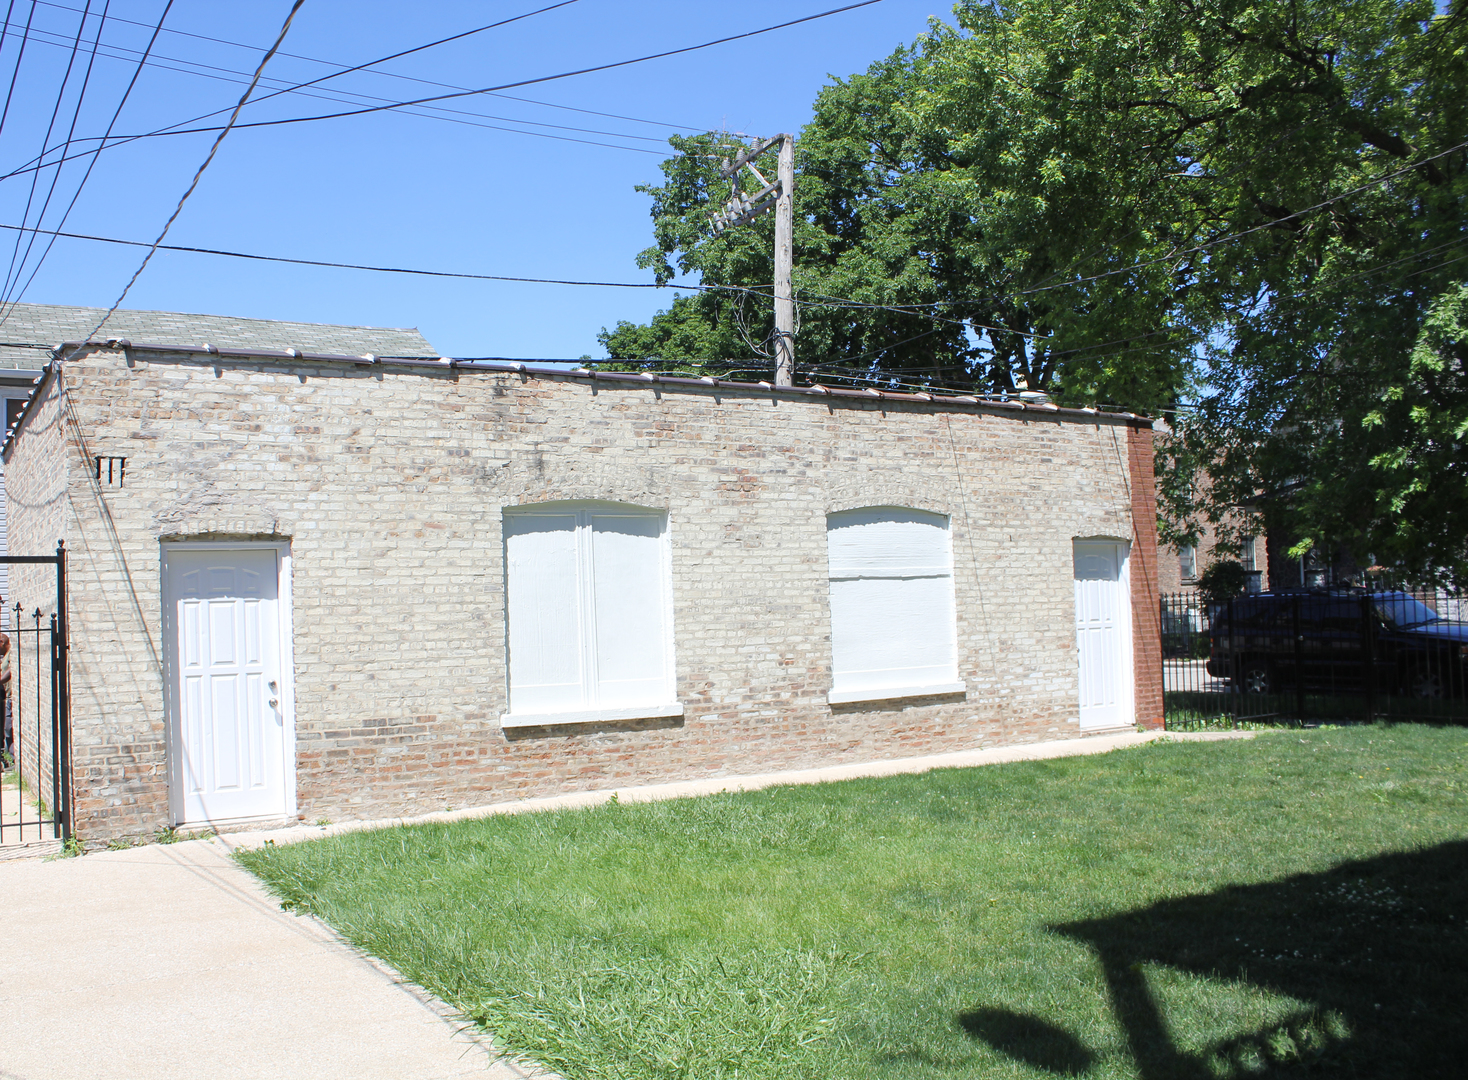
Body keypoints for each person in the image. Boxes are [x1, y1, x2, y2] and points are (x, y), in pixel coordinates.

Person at [1, 630, 12, 767]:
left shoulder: (11, 653)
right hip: (6, 696)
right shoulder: (5, 655)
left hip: (11, 697)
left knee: (8, 728)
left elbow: (11, 670)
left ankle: (13, 757)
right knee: (6, 728)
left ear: (2, 642)